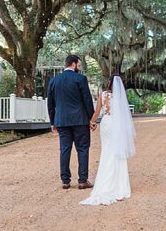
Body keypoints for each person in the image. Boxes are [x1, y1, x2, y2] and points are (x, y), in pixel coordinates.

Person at [81, 74, 135, 206]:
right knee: (117, 150)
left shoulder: (103, 95)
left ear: (109, 83)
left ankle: (105, 182)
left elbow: (97, 111)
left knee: (106, 151)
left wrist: (92, 122)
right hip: (117, 124)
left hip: (107, 123)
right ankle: (119, 184)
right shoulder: (121, 97)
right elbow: (124, 114)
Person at [46, 55, 95, 190]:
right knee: (83, 149)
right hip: (80, 120)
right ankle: (82, 180)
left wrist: (52, 121)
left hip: (61, 121)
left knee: (65, 150)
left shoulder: (54, 80)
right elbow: (87, 100)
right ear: (73, 64)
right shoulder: (80, 79)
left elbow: (50, 103)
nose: (79, 67)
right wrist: (92, 118)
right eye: (78, 65)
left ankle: (65, 181)